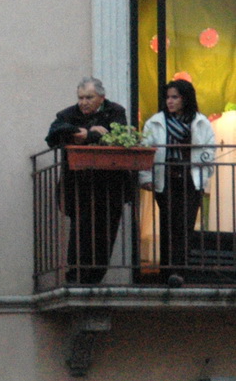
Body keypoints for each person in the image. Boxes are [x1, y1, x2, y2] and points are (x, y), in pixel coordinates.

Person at [45, 77, 133, 284]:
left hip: (111, 185)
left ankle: (95, 276)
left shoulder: (115, 111)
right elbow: (53, 136)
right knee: (81, 231)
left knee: (107, 233)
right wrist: (84, 133)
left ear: (102, 97)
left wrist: (89, 135)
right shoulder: (67, 114)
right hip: (80, 185)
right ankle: (75, 275)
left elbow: (119, 136)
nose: (83, 102)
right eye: (81, 97)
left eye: (89, 97)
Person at [140, 78, 216, 285]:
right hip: (166, 179)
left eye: (175, 97)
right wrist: (146, 177)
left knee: (186, 225)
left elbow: (210, 150)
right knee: (168, 224)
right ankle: (167, 272)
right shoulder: (155, 122)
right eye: (167, 97)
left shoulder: (200, 121)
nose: (170, 101)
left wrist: (204, 172)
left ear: (185, 98)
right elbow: (146, 151)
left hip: (191, 179)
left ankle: (179, 272)